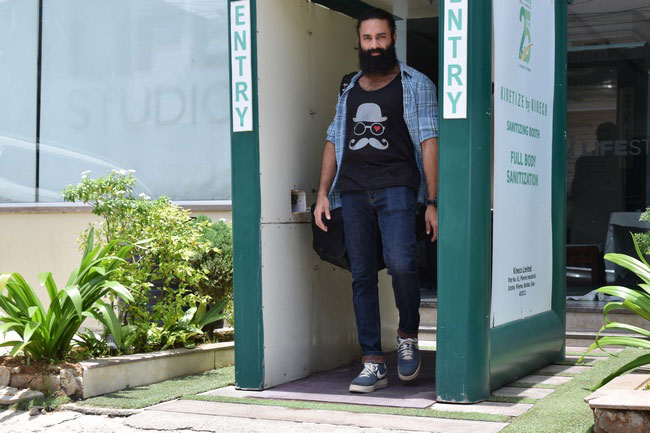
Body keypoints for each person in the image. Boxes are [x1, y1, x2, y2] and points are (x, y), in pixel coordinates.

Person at [313, 8, 439, 393]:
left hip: (397, 188)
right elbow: (335, 138)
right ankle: (372, 360)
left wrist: (433, 200)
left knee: (402, 263)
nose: (373, 46)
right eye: (367, 39)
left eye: (380, 38)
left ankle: (407, 335)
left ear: (393, 39)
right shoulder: (350, 87)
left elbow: (429, 141)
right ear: (360, 42)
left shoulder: (416, 84)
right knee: (363, 275)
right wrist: (322, 192)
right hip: (351, 191)